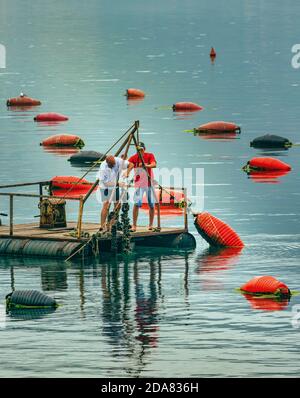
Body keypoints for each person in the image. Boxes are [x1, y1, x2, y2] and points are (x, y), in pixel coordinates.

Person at [127, 142, 157, 232]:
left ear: (144, 149)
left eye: (141, 149)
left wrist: (146, 165)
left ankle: (151, 225)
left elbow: (154, 164)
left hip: (149, 183)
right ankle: (134, 225)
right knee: (137, 204)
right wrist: (127, 172)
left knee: (151, 204)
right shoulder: (133, 157)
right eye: (138, 150)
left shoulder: (149, 155)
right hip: (139, 184)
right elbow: (128, 165)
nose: (140, 151)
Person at [99, 155, 134, 231]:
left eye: (114, 164)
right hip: (105, 187)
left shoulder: (118, 161)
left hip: (116, 186)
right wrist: (118, 184)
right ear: (107, 163)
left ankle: (112, 223)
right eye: (111, 165)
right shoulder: (103, 167)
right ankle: (102, 225)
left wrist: (127, 172)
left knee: (118, 204)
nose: (113, 166)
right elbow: (106, 183)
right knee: (106, 204)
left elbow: (131, 164)